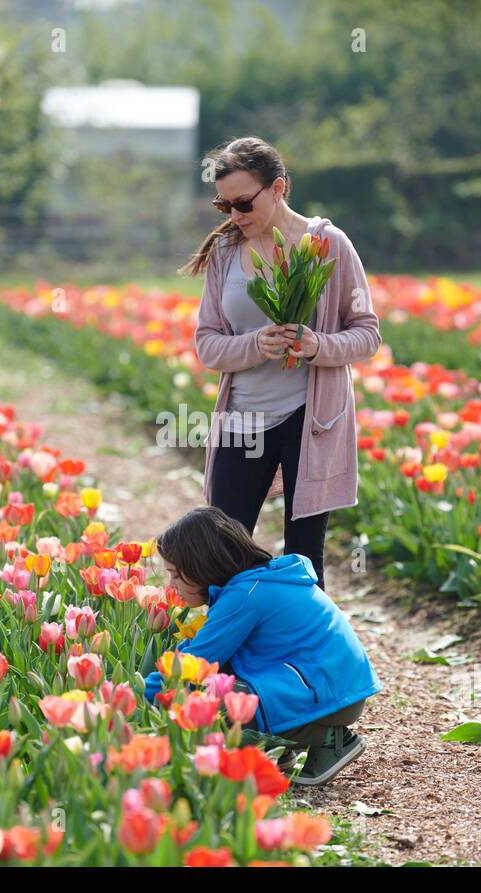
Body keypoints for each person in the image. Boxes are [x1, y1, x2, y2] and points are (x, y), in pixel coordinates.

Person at [178, 136, 381, 592]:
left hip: (312, 420)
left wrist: (315, 344)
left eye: (244, 203)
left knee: (304, 559)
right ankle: (221, 659)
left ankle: (304, 657)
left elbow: (367, 334)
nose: (235, 216)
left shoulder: (327, 245)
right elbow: (208, 345)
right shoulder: (227, 253)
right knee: (222, 551)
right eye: (223, 206)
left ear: (280, 188)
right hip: (243, 418)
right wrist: (255, 344)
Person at [142, 506, 382, 786]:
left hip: (331, 700)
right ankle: (281, 750)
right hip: (333, 689)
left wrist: (136, 700)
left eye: (174, 574)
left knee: (210, 698)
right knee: (222, 678)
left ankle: (331, 741)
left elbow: (194, 663)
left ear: (200, 564)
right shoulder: (259, 582)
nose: (171, 586)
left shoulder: (246, 595)